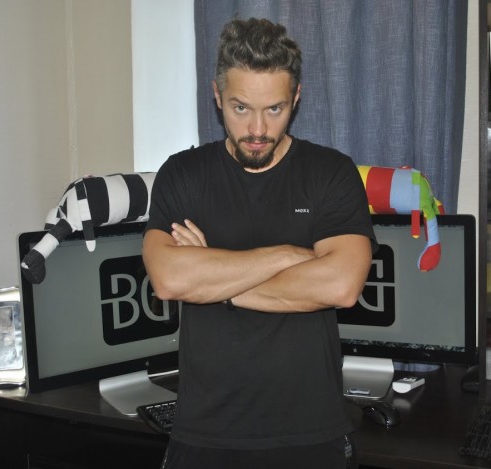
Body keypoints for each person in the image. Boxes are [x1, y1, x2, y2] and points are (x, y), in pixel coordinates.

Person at [142, 17, 376, 469]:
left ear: (296, 97)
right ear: (216, 96)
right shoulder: (183, 174)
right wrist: (289, 256)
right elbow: (170, 280)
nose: (257, 129)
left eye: (274, 109)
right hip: (204, 432)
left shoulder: (331, 173)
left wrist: (211, 278)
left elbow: (341, 286)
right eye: (240, 108)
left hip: (311, 431)